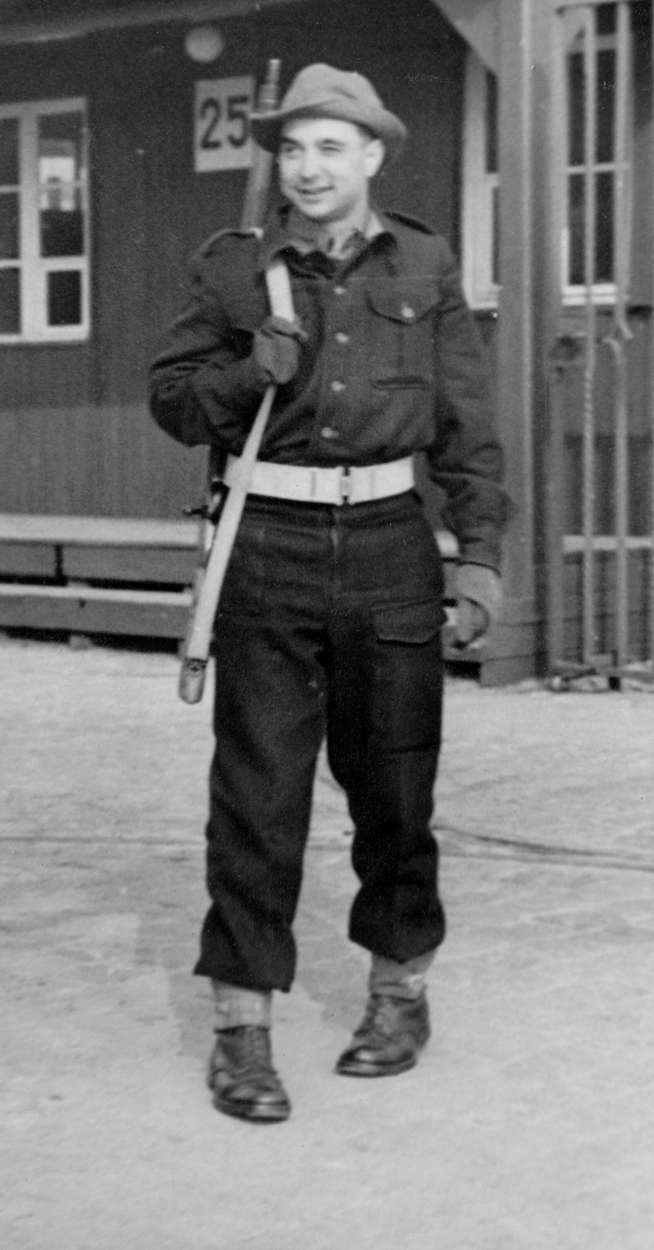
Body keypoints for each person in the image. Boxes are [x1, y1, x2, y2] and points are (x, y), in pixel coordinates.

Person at [149, 63, 512, 1124]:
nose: (309, 168)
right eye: (293, 148)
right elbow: (173, 402)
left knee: (395, 791)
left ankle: (399, 992)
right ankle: (242, 1029)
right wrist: (246, 374)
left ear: (372, 156)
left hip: (394, 544)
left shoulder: (425, 263)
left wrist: (478, 554)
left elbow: (467, 428)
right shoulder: (231, 270)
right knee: (256, 798)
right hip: (269, 541)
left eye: (330, 148)